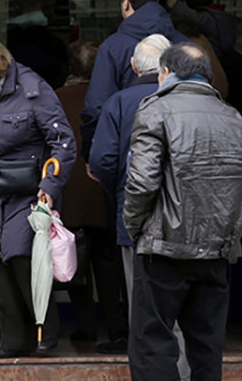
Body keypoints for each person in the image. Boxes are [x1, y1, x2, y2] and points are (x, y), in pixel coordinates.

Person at [123, 43, 242, 381]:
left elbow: (142, 183)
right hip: (216, 251)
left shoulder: (155, 110)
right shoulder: (234, 118)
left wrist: (135, 227)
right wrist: (224, 226)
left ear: (165, 73)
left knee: (152, 342)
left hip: (163, 247)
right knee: (207, 345)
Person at [0, 34, 76, 358]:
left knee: (24, 259)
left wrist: (50, 187)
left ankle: (44, 332)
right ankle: (10, 339)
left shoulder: (32, 88)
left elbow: (62, 142)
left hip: (30, 190)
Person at [88, 34, 172, 359]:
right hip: (187, 222)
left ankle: (150, 367)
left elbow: (102, 161)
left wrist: (119, 190)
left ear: (133, 65)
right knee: (177, 303)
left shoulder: (120, 101)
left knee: (141, 299)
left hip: (134, 215)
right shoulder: (185, 99)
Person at [54, 40, 128, 352]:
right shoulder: (111, 99)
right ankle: (116, 328)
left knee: (74, 263)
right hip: (103, 193)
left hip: (68, 192)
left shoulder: (55, 99)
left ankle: (84, 328)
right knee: (108, 263)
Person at [80, 0, 187, 157]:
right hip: (182, 152)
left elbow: (96, 109)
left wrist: (91, 152)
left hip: (129, 154)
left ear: (126, 2)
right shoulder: (186, 46)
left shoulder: (112, 47)